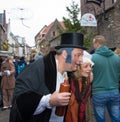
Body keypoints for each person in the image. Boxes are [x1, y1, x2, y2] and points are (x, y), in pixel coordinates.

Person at [9, 32, 87, 122]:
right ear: (65, 54)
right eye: (78, 55)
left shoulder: (68, 73)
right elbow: (19, 100)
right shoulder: (37, 68)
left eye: (82, 55)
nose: (81, 60)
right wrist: (48, 101)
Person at [91, 35, 120, 122]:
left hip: (99, 93)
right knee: (116, 118)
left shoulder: (92, 58)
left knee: (100, 120)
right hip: (114, 91)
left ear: (96, 43)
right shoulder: (117, 58)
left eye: (93, 44)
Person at [65, 50, 94, 122]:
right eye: (86, 66)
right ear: (78, 68)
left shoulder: (87, 81)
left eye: (90, 66)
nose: (90, 69)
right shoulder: (70, 82)